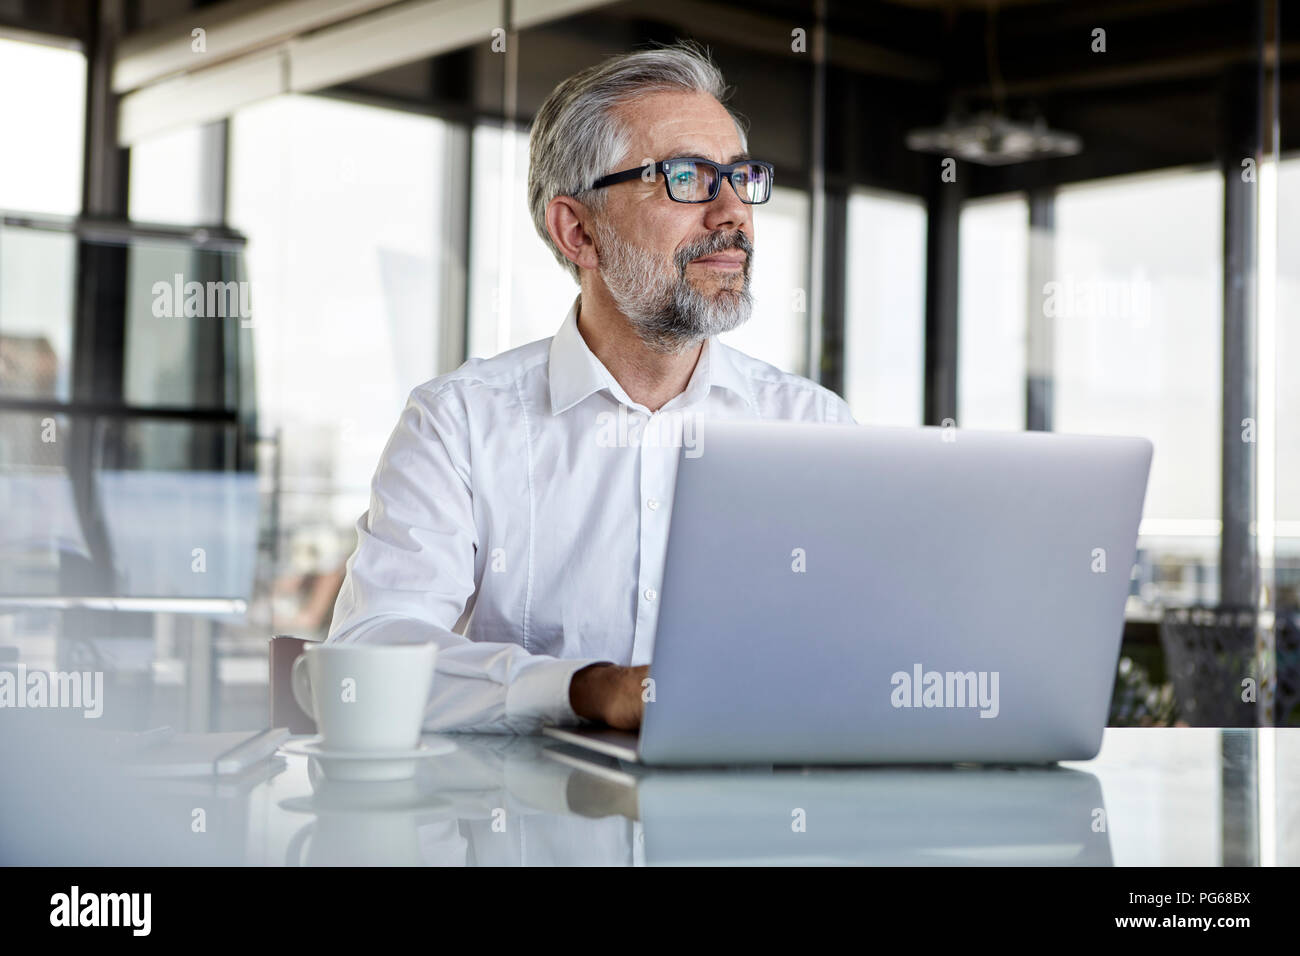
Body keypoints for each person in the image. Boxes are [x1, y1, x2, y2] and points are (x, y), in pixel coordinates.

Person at [326, 40, 854, 733]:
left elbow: (860, 650)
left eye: (741, 177)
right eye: (688, 178)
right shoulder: (458, 424)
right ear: (578, 231)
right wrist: (585, 689)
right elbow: (370, 655)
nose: (733, 213)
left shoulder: (811, 427)